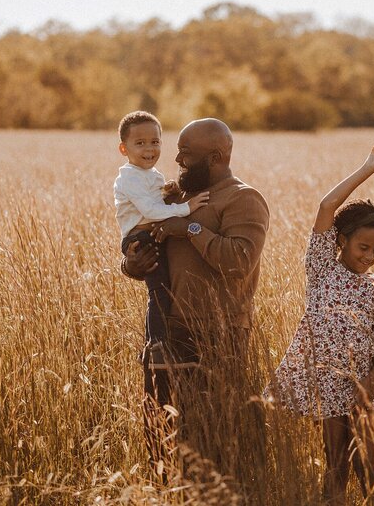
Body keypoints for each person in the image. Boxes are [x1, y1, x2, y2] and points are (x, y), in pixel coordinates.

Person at [121, 118, 270, 480]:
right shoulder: (178, 198)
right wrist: (132, 265)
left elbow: (238, 263)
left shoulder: (244, 199)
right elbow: (147, 244)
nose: (177, 160)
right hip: (165, 328)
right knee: (158, 426)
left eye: (186, 154)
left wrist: (190, 228)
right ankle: (165, 493)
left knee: (208, 432)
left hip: (218, 333)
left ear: (215, 156)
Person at [264, 145, 374, 504]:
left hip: (363, 386)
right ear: (340, 240)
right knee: (335, 463)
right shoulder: (322, 270)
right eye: (363, 247)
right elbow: (327, 206)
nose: (369, 257)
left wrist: (369, 385)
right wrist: (368, 167)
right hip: (326, 384)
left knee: (370, 464)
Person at [113, 111, 209, 367]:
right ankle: (155, 345)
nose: (149, 148)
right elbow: (152, 211)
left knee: (164, 291)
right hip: (140, 239)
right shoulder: (129, 177)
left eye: (154, 142)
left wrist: (169, 192)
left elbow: (156, 201)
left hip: (150, 235)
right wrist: (186, 208)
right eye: (140, 143)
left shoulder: (151, 175)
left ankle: (155, 345)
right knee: (159, 293)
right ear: (124, 149)